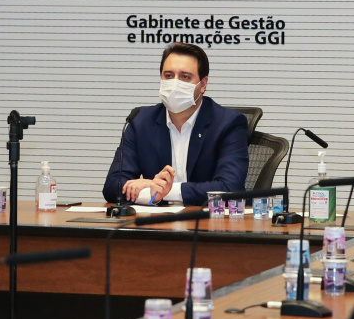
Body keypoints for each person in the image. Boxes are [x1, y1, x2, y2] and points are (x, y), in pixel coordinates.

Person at [103, 42, 248, 206]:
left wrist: (166, 191)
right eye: (169, 76)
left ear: (203, 85)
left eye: (185, 77)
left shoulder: (228, 123)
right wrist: (150, 192)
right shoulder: (141, 121)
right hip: (156, 225)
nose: (175, 83)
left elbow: (230, 188)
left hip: (206, 225)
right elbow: (112, 186)